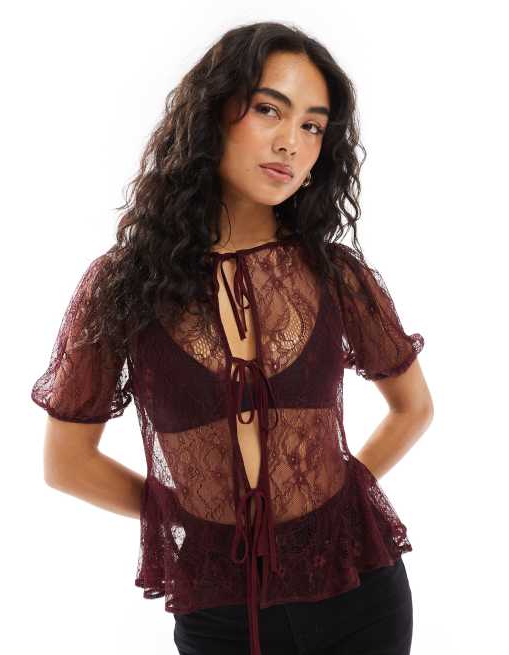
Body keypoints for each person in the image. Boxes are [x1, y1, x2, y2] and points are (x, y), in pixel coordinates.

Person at [31, 21, 433, 655]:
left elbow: (414, 409)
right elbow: (67, 464)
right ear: (212, 114)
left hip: (361, 590)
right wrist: (184, 519)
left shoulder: (337, 275)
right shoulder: (124, 285)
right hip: (220, 609)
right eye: (270, 109)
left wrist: (338, 499)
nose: (291, 142)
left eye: (312, 125)